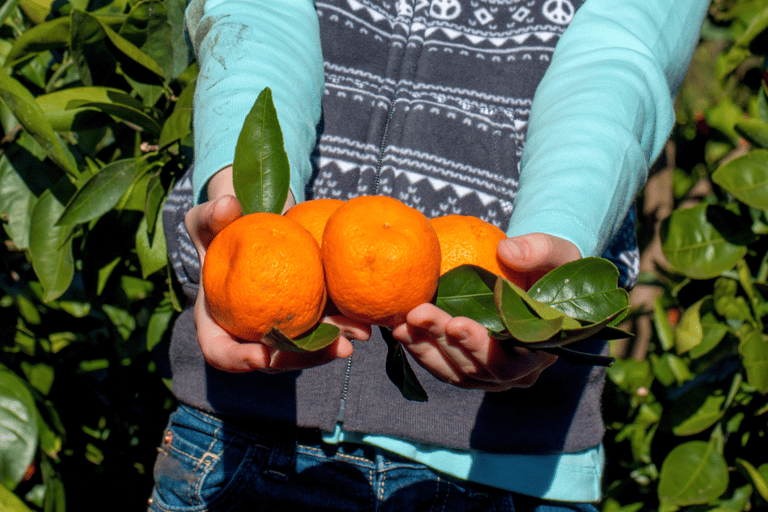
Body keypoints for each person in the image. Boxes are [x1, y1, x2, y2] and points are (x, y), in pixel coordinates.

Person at [151, 0, 708, 510]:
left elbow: (622, 54)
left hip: (507, 467)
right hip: (243, 426)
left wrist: (551, 246)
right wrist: (242, 207)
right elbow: (259, 12)